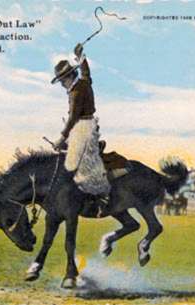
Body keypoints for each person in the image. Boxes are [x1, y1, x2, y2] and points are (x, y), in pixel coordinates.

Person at [51, 43, 110, 213]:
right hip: (85, 125)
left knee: (72, 163)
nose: (62, 84)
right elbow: (86, 73)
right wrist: (80, 56)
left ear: (69, 76)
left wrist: (61, 138)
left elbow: (73, 118)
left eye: (62, 80)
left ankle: (96, 196)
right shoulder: (83, 82)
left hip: (83, 126)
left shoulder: (77, 91)